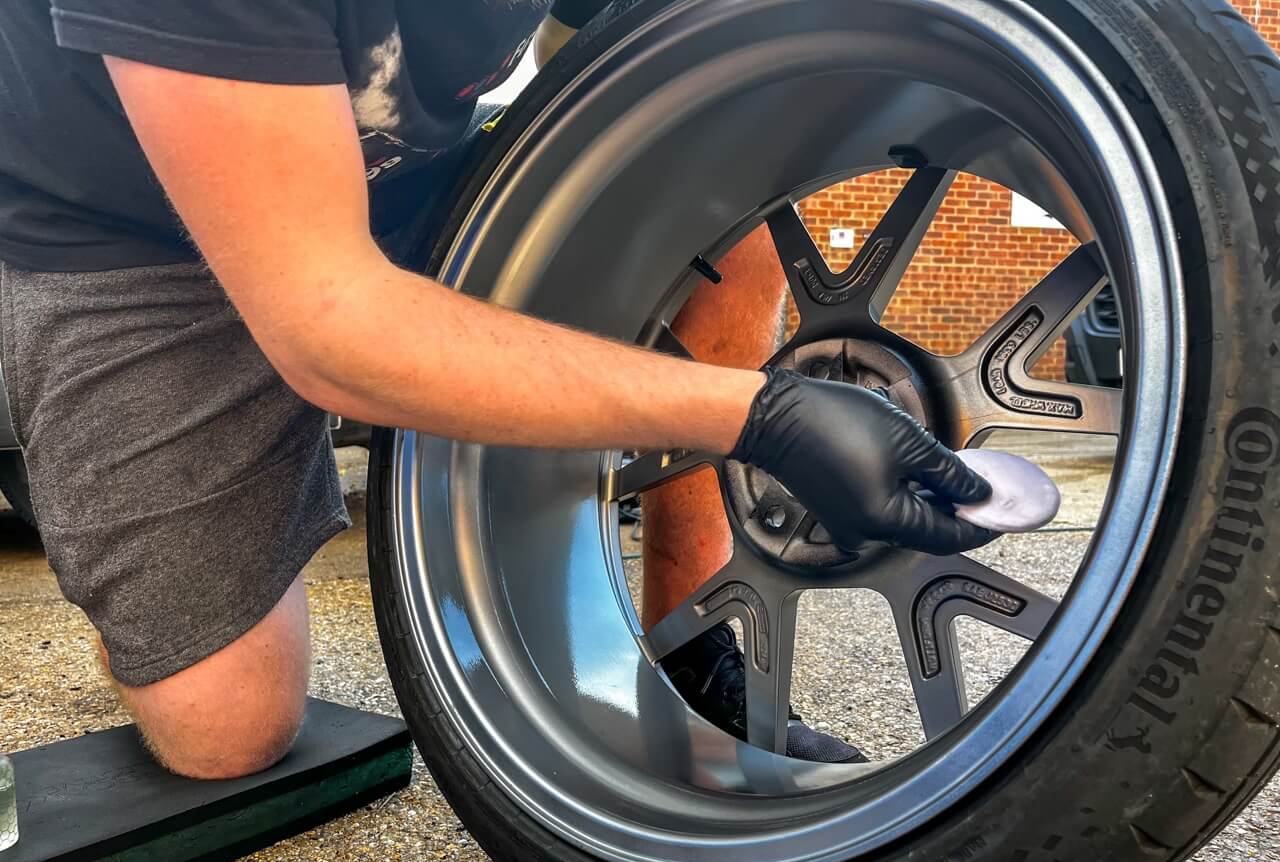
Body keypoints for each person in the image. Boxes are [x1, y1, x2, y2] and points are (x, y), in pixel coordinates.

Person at [0, 0, 994, 780]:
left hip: (407, 180)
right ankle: (110, 506)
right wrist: (758, 414)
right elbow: (326, 325)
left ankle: (692, 644)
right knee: (228, 734)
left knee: (717, 181)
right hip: (125, 243)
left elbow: (618, 93)